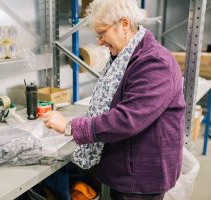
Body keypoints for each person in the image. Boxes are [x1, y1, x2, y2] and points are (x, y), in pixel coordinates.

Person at [43, 0, 185, 199]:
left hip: (141, 178)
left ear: (124, 24)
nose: (100, 41)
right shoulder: (126, 57)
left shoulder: (154, 63)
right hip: (125, 167)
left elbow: (127, 119)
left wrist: (70, 127)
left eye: (102, 33)